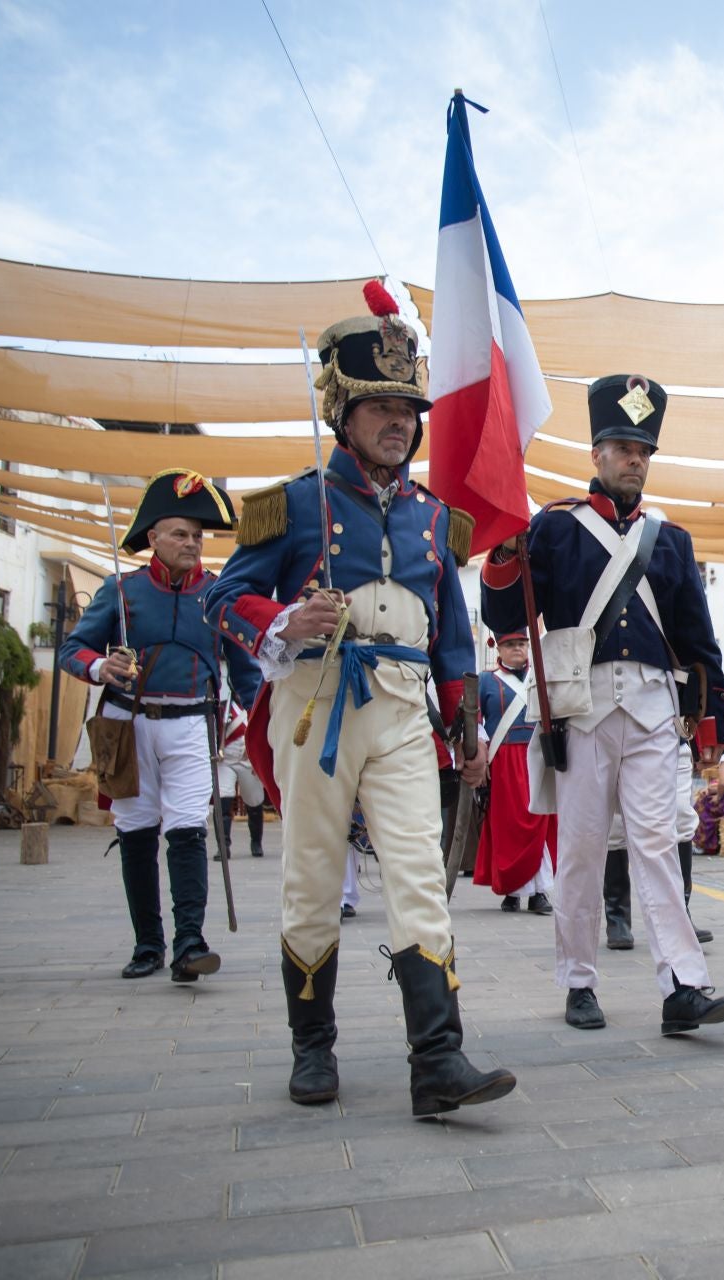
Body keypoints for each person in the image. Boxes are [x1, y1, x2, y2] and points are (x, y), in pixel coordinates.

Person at [204, 285, 510, 1115]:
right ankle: (314, 1047)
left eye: (408, 407)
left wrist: (467, 726)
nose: (399, 422)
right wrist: (285, 617)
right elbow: (221, 600)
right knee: (309, 875)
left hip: (406, 716)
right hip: (317, 708)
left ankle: (437, 1061)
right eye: (379, 405)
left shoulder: (434, 520)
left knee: (418, 875)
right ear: (341, 410)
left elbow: (450, 637)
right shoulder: (293, 504)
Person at [481, 374, 724, 1037]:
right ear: (596, 452)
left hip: (653, 709)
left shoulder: (669, 540)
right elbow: (503, 613)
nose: (633, 459)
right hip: (581, 707)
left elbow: (698, 640)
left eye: (642, 450)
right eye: (622, 446)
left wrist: (713, 726)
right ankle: (578, 980)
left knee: (658, 844)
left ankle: (684, 982)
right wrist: (505, 554)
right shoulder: (556, 530)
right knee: (584, 852)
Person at [61, 470, 259, 983]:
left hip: (192, 724)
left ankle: (189, 943)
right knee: (135, 832)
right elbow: (71, 650)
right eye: (180, 534)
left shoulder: (218, 595)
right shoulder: (120, 591)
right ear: (152, 538)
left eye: (197, 536)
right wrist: (98, 667)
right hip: (128, 726)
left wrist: (264, 718)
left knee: (189, 829)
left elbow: (244, 671)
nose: (192, 543)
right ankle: (147, 944)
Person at [473, 630, 554, 915]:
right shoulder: (486, 681)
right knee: (508, 827)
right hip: (504, 760)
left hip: (538, 757)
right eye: (510, 645)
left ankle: (539, 892)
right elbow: (475, 721)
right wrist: (480, 755)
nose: (517, 649)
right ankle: (513, 890)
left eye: (521, 644)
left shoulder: (541, 677)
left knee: (540, 823)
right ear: (499, 649)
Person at [216, 701, 268, 859]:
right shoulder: (223, 707)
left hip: (248, 760)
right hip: (225, 760)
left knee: (254, 802)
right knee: (223, 802)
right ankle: (223, 847)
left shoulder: (254, 704)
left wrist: (258, 757)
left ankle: (256, 842)